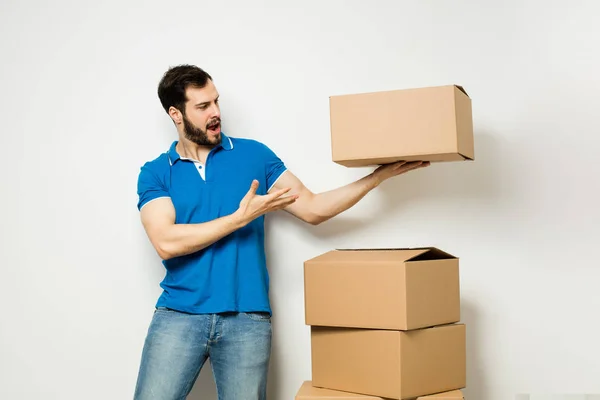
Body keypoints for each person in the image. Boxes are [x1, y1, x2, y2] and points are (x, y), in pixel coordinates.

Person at [133, 64, 430, 400]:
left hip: (246, 320)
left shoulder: (253, 155)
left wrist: (377, 178)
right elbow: (166, 242)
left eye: (216, 101)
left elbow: (313, 209)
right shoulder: (156, 172)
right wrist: (239, 218)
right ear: (176, 114)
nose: (215, 113)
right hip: (178, 316)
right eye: (202, 107)